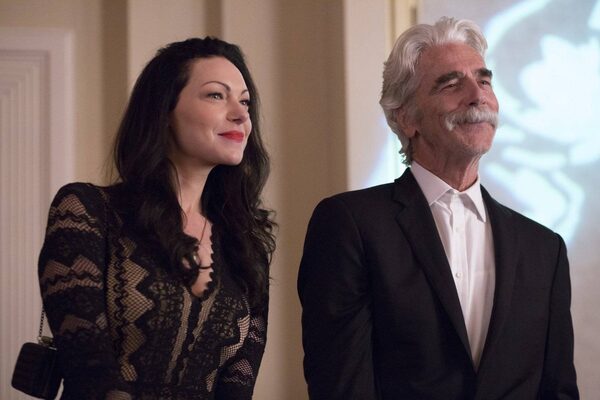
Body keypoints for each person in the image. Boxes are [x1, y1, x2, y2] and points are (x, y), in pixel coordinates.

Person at [297, 17, 578, 400]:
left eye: (484, 81)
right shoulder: (350, 224)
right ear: (406, 117)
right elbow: (341, 387)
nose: (477, 96)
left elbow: (558, 390)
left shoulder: (545, 248)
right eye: (451, 84)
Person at [38, 37, 275, 399]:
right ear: (164, 111)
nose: (241, 115)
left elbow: (238, 387)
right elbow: (89, 373)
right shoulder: (86, 210)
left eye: (244, 101)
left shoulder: (246, 244)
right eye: (216, 95)